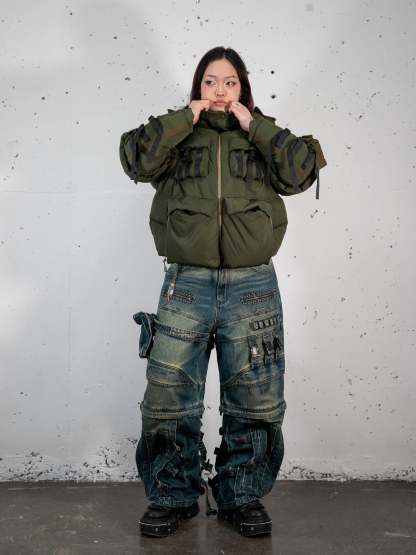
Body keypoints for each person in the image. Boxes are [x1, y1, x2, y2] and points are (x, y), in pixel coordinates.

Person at [119, 46, 327, 538]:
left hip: (252, 285)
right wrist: (183, 119)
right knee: (169, 397)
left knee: (256, 399)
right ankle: (172, 496)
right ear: (197, 88)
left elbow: (301, 171)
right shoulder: (177, 135)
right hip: (186, 283)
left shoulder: (261, 134)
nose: (219, 91)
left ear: (242, 89)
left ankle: (241, 495)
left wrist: (255, 124)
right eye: (210, 82)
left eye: (230, 82)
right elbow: (135, 159)